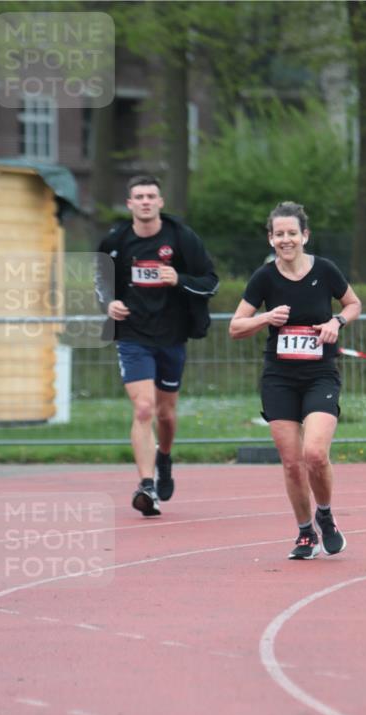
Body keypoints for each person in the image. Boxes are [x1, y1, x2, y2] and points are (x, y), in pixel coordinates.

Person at [230, 201, 361, 559]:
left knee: (315, 454)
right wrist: (265, 318)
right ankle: (306, 533)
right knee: (291, 462)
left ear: (305, 235)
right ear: (271, 239)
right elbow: (235, 326)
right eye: (279, 234)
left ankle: (326, 516)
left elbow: (353, 304)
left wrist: (337, 322)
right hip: (279, 378)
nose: (286, 240)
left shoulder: (326, 270)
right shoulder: (264, 278)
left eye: (292, 233)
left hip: (320, 374)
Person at [96, 175, 218, 515]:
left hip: (172, 337)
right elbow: (99, 282)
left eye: (151, 195)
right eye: (139, 196)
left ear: (161, 202)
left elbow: (211, 281)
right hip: (133, 337)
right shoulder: (116, 240)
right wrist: (108, 304)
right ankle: (147, 485)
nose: (146, 201)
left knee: (165, 413)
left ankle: (164, 457)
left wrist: (179, 279)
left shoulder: (181, 238)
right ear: (130, 203)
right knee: (144, 408)